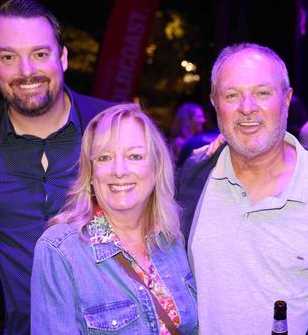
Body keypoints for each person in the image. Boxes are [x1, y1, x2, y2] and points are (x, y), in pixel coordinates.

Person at [175, 43, 308, 334]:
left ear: (287, 99)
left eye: (262, 93)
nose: (247, 108)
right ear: (215, 103)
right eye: (232, 95)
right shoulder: (191, 179)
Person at [0, 0, 112, 333]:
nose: (26, 71)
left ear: (63, 57)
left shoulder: (114, 125)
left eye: (40, 54)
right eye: (8, 57)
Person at [31, 103, 198, 334]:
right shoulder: (60, 250)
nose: (119, 170)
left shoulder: (172, 238)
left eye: (135, 156)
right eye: (104, 157)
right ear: (90, 173)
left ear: (156, 167)